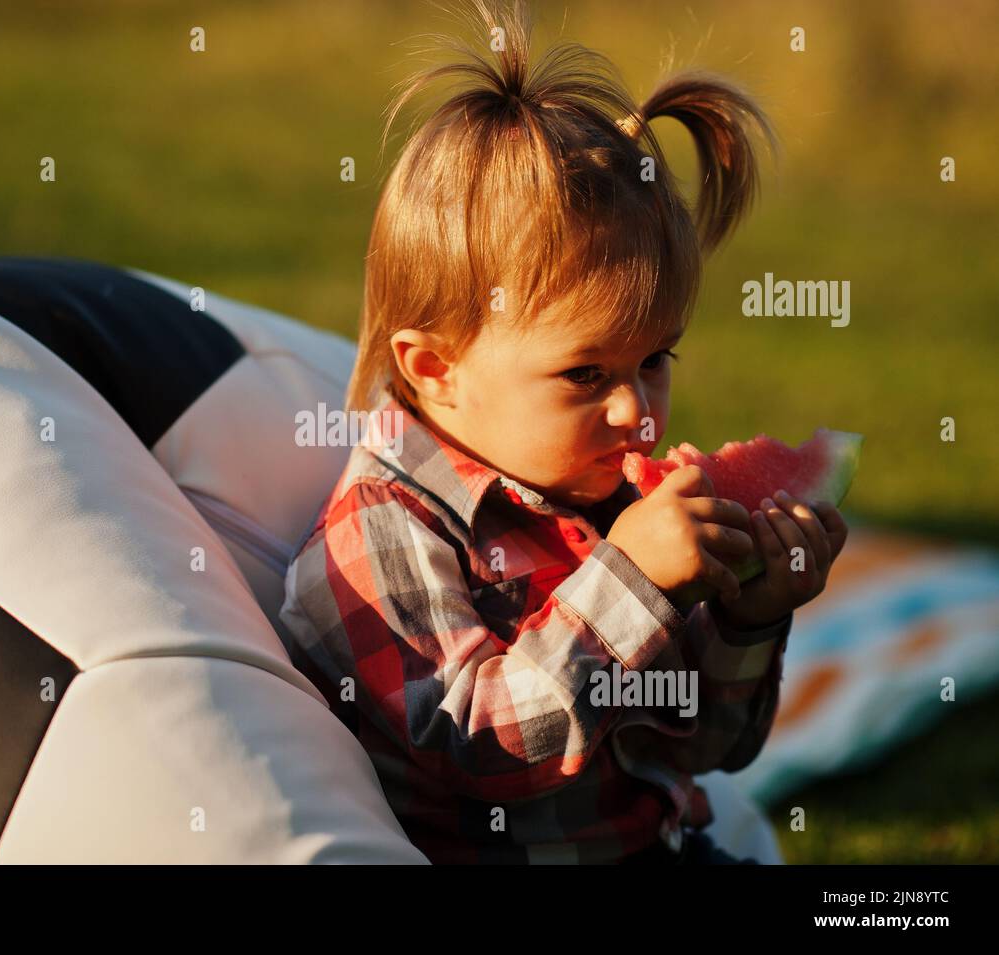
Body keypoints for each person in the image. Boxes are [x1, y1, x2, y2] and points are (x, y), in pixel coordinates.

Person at [277, 0, 847, 864]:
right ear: (435, 369)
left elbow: (694, 748)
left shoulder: (602, 491)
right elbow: (478, 746)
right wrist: (631, 582)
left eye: (656, 360)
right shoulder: (382, 530)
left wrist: (747, 624)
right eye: (586, 375)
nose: (636, 414)